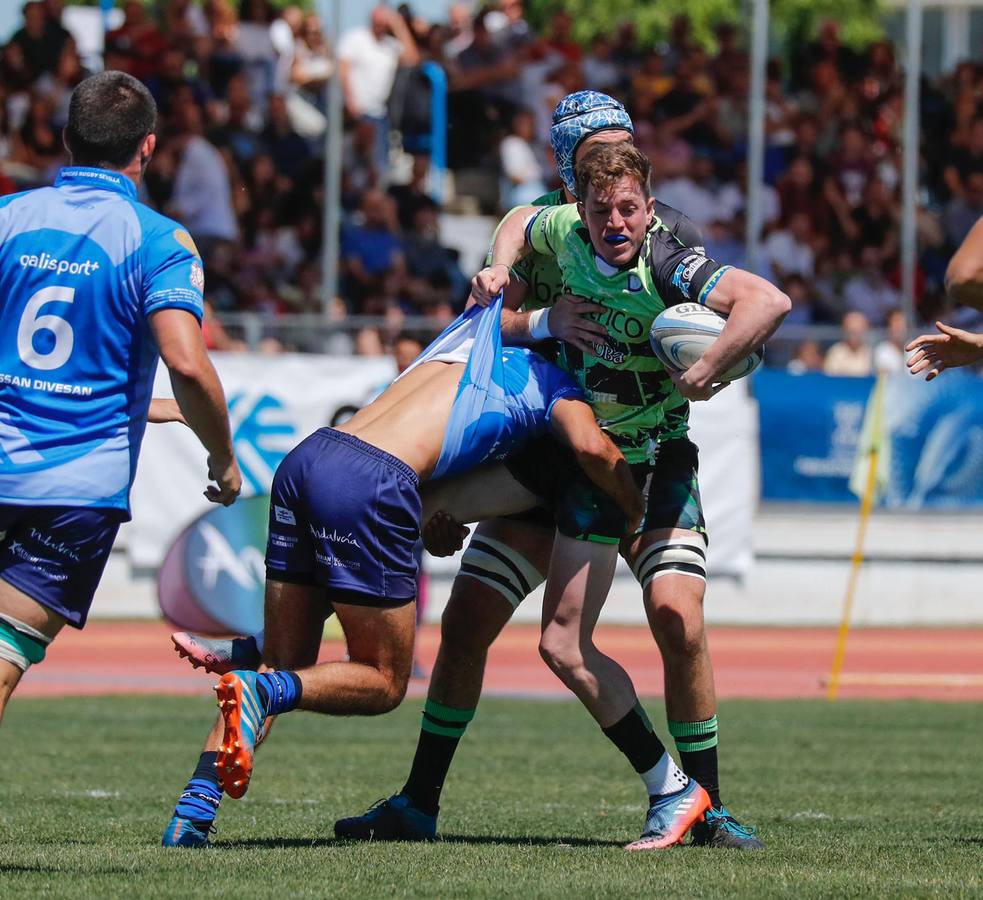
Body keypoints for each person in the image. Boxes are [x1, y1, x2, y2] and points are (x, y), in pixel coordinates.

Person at [177, 92, 769, 850]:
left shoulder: (655, 234)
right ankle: (417, 800)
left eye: (622, 152)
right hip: (549, 450)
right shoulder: (552, 226)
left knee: (675, 620)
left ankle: (703, 804)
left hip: (644, 458)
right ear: (567, 167)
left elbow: (753, 302)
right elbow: (497, 296)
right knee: (463, 625)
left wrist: (712, 363)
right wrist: (514, 292)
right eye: (594, 153)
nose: (611, 172)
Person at [162, 295, 643, 848]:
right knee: (384, 680)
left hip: (309, 458)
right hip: (372, 481)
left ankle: (193, 812)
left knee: (286, 660)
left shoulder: (463, 345)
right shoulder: (554, 380)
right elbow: (592, 448)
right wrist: (632, 510)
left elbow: (450, 475)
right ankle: (258, 679)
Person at [0, 71, 241, 722]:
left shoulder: (8, 218)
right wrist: (222, 456)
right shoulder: (158, 240)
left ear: (65, 139)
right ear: (147, 148)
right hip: (73, 491)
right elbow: (186, 364)